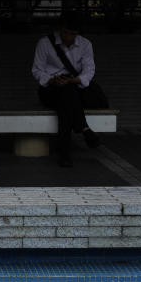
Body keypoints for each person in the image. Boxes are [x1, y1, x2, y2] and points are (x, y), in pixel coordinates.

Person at [32, 12, 106, 167]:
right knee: (67, 94)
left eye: (73, 34)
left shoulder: (85, 45)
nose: (68, 38)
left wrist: (74, 80)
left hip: (73, 88)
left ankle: (65, 153)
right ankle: (84, 128)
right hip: (50, 90)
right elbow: (37, 70)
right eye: (66, 33)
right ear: (61, 30)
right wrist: (52, 79)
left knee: (66, 102)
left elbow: (89, 70)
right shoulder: (45, 43)